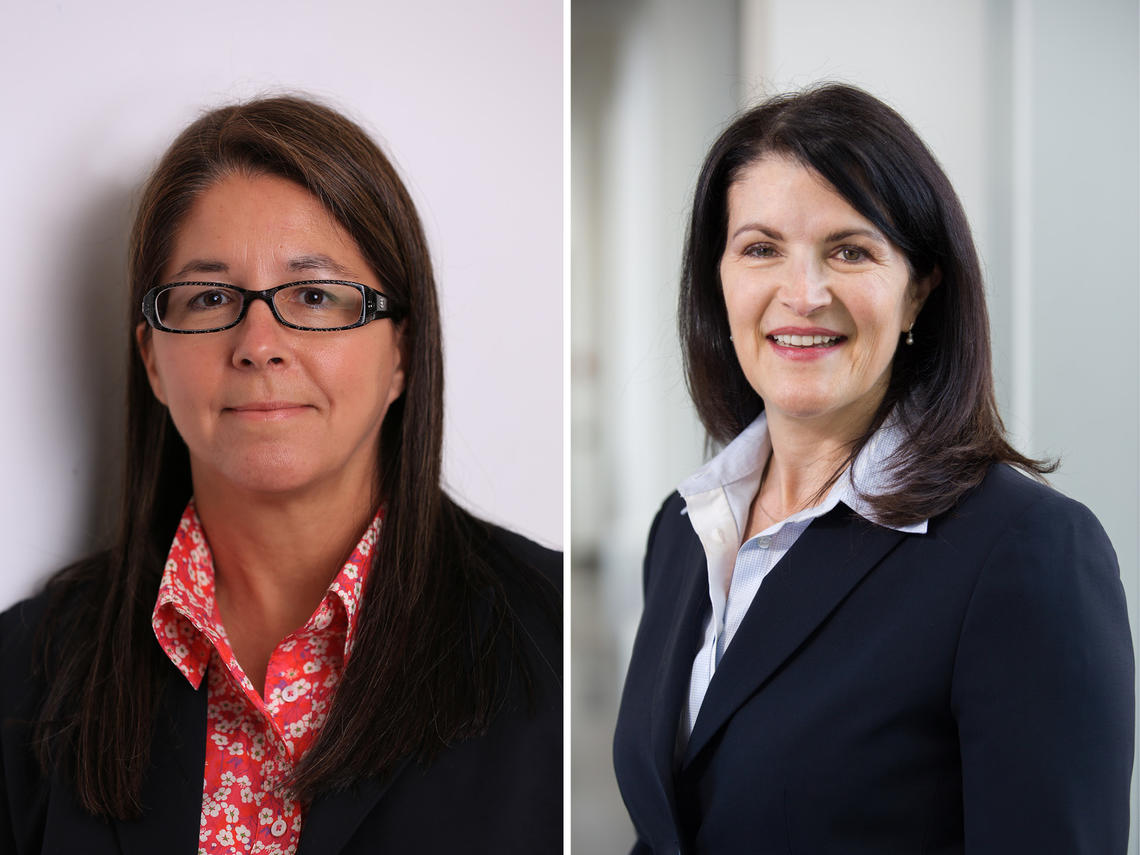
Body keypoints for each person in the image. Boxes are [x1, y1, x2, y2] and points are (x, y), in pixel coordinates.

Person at [0, 96, 561, 854]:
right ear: (151, 361)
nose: (258, 343)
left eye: (315, 295)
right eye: (208, 298)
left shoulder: (554, 638)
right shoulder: (25, 673)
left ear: (402, 351)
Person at [613, 83, 1133, 853]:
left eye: (849, 250)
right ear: (717, 278)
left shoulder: (1026, 554)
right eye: (760, 248)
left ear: (919, 288)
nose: (803, 293)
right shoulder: (686, 529)